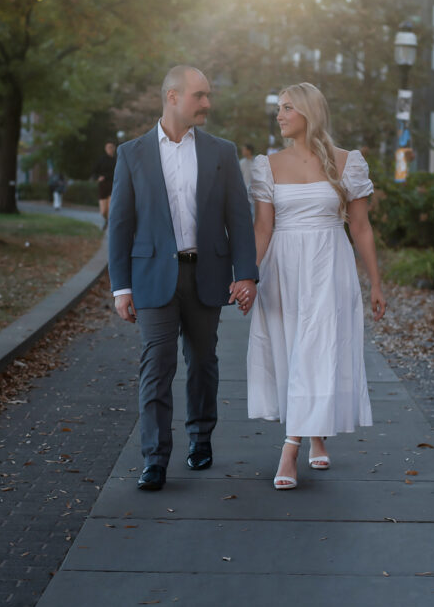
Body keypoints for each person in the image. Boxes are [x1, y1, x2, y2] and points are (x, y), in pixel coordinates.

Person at [109, 65, 258, 492]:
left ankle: (200, 438)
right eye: (199, 95)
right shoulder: (131, 154)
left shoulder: (220, 152)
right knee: (156, 366)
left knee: (203, 363)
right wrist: (122, 287)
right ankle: (155, 458)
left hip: (206, 273)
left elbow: (239, 219)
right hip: (153, 276)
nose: (207, 103)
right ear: (172, 97)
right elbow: (120, 224)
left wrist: (245, 274)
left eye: (207, 95)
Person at [246, 82, 386, 490]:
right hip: (284, 267)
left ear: (309, 112)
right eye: (279, 107)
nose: (280, 115)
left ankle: (291, 447)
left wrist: (375, 282)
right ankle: (316, 433)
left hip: (330, 265)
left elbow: (360, 227)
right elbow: (263, 228)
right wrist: (247, 278)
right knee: (294, 348)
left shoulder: (348, 162)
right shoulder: (267, 165)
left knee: (316, 346)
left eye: (287, 107)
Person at [94, 141, 117, 229]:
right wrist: (98, 177)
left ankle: (111, 224)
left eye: (111, 147)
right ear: (105, 149)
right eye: (108, 147)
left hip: (113, 186)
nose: (110, 149)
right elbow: (94, 171)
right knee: (103, 211)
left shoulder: (117, 160)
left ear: (114, 148)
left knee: (110, 208)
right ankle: (107, 220)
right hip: (103, 186)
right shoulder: (101, 159)